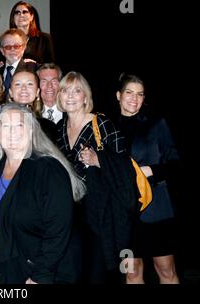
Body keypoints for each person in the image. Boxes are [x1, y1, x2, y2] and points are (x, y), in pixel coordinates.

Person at [0, 103, 85, 284]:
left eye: (19, 125)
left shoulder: (48, 169)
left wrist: (40, 276)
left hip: (31, 276)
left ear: (31, 130)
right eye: (5, 126)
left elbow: (58, 230)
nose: (11, 132)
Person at [55, 71, 138, 284]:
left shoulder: (101, 124)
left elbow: (126, 168)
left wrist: (98, 159)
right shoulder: (58, 130)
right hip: (71, 216)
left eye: (77, 91)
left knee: (99, 275)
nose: (70, 96)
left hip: (102, 216)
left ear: (86, 97)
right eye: (65, 90)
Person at [114, 73, 180, 284]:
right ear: (118, 95)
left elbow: (175, 164)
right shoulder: (106, 127)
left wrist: (150, 170)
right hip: (123, 215)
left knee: (166, 271)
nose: (134, 99)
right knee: (131, 272)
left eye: (140, 94)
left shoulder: (156, 124)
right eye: (129, 93)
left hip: (156, 209)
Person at [8, 68, 57, 143]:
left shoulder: (49, 127)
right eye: (18, 84)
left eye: (29, 84)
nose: (24, 88)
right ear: (10, 92)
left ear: (37, 92)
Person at [0, 29, 38, 95]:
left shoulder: (34, 69)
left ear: (23, 48)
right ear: (2, 51)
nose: (12, 50)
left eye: (16, 46)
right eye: (8, 47)